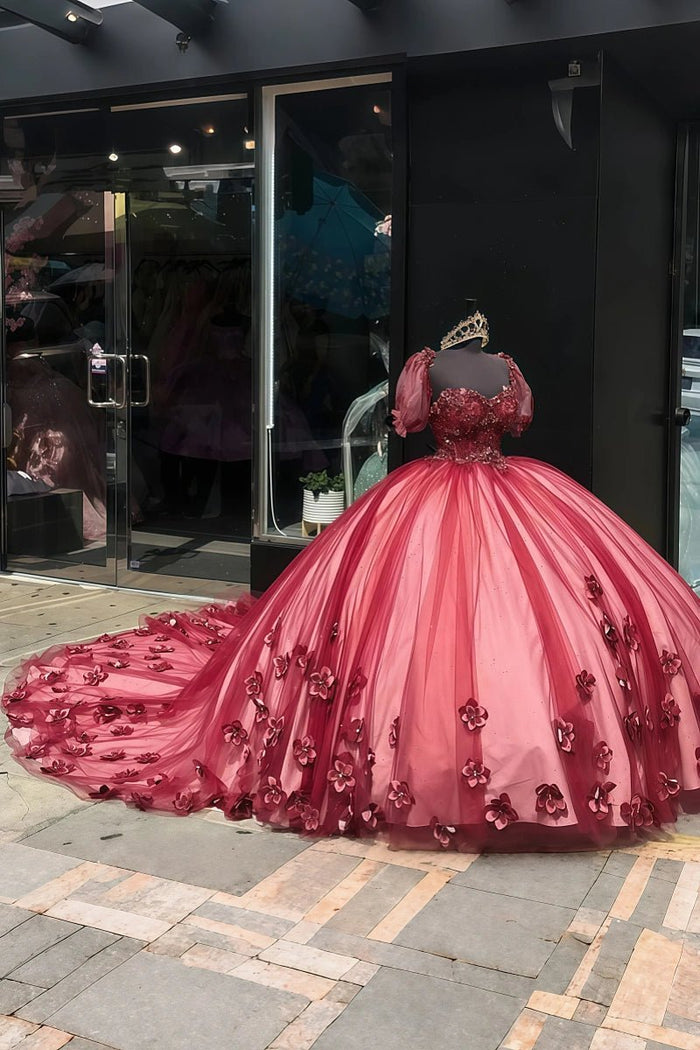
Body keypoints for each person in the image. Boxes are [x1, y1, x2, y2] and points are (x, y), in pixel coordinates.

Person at [3, 312, 699, 852]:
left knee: (499, 622)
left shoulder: (461, 367)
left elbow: (413, 422)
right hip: (468, 495)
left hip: (469, 493)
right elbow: (474, 419)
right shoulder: (459, 367)